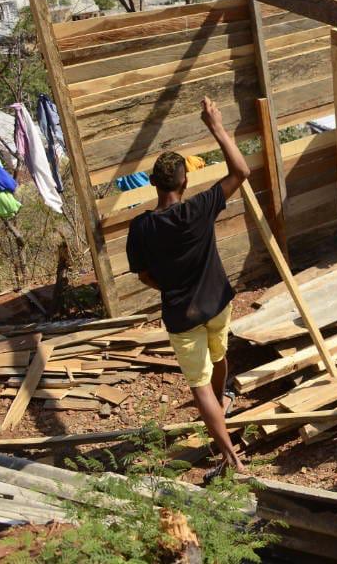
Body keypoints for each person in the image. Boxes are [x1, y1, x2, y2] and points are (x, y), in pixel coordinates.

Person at [127, 97, 249, 478]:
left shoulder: (141, 228)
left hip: (182, 315)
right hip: (217, 303)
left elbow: (143, 274)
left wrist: (166, 283)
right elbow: (241, 171)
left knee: (199, 386)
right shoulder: (198, 208)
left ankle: (231, 457)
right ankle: (224, 396)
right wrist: (216, 126)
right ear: (184, 180)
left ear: (153, 183)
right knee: (219, 355)